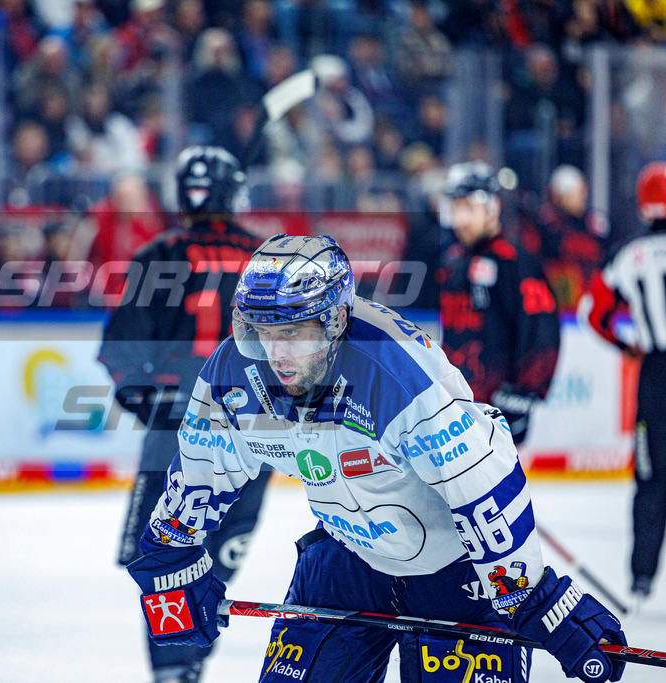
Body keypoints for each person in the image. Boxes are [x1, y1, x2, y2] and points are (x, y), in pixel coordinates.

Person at [123, 233, 627, 682]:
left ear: (335, 319)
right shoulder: (236, 371)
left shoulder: (399, 374)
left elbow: (481, 482)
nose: (275, 354)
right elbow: (198, 471)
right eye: (262, 331)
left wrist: (532, 596)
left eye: (293, 332)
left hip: (456, 572)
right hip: (346, 560)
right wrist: (173, 557)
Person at [99, 146, 268, 683]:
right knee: (219, 556)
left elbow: (120, 351)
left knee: (157, 558)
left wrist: (150, 406)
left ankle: (175, 665)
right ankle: (192, 655)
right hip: (253, 435)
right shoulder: (265, 257)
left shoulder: (157, 255)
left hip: (175, 434)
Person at [581, 161, 666, 598]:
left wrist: (627, 346)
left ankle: (641, 579)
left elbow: (595, 312)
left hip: (657, 374)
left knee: (651, 476)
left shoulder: (628, 253)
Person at [438, 162, 561, 445]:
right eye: (456, 208)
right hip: (453, 404)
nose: (462, 218)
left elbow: (541, 330)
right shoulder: (452, 264)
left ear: (491, 208)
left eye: (470, 208)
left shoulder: (514, 262)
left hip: (498, 406)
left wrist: (524, 391)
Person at [523, 165, 610, 312]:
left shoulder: (593, 226)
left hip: (590, 302)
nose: (582, 199)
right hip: (560, 306)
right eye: (576, 193)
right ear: (560, 195)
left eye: (583, 193)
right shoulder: (545, 228)